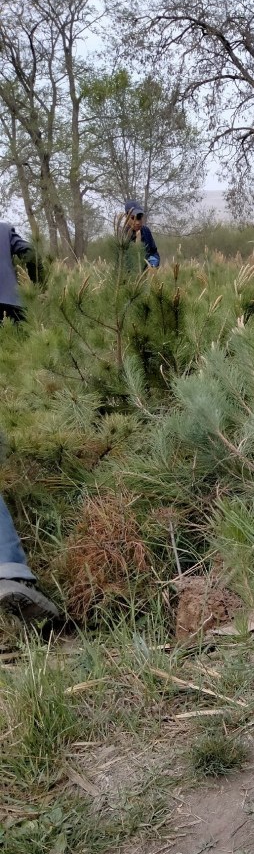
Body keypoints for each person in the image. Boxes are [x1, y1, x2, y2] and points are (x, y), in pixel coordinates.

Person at [0, 221, 60, 621]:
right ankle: (9, 571)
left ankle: (9, 571)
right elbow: (34, 257)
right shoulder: (3, 228)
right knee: (24, 376)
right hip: (12, 309)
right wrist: (38, 288)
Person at [120, 201, 160, 268]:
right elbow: (121, 260)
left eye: (139, 218)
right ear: (126, 217)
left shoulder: (146, 231)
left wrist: (153, 264)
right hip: (129, 275)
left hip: (146, 274)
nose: (138, 222)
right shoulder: (121, 236)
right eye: (133, 218)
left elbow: (153, 252)